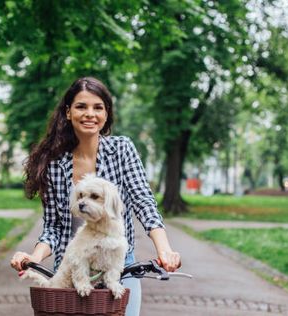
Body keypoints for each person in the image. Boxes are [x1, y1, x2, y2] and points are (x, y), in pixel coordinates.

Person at [10, 77, 181, 316]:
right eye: (81, 106)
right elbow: (54, 228)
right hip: (74, 266)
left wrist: (164, 250)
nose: (90, 114)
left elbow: (144, 203)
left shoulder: (122, 150)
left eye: (98, 107)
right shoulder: (54, 163)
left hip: (117, 265)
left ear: (106, 114)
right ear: (68, 112)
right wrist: (33, 258)